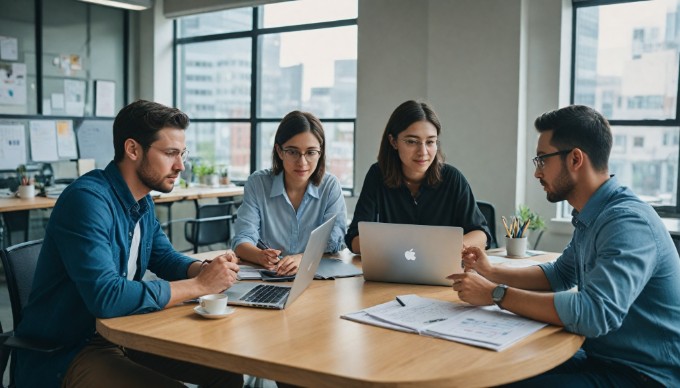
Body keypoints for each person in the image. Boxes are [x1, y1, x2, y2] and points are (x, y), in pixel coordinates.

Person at [14, 100, 243, 387]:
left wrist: (206, 271)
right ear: (133, 149)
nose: (180, 165)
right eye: (170, 153)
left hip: (124, 334)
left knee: (226, 374)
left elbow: (165, 258)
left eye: (182, 153)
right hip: (69, 351)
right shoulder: (87, 201)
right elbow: (106, 297)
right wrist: (200, 286)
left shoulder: (141, 200)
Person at [450, 105, 680, 387]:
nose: (537, 173)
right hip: (603, 358)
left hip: (644, 375)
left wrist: (496, 294)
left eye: (542, 160)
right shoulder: (594, 213)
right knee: (489, 370)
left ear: (575, 159)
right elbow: (560, 275)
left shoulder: (627, 222)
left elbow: (594, 313)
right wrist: (491, 270)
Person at [345, 100, 490, 253]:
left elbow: (481, 234)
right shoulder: (377, 175)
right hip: (392, 271)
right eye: (412, 142)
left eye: (430, 142)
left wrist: (445, 249)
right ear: (393, 141)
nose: (423, 151)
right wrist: (405, 249)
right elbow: (355, 239)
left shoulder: (452, 178)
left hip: (442, 273)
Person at [232, 110, 346, 275]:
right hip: (269, 276)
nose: (302, 162)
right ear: (279, 151)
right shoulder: (258, 184)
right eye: (292, 152)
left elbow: (335, 241)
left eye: (311, 152)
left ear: (320, 153)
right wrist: (260, 256)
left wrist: (302, 258)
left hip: (315, 276)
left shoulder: (330, 186)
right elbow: (242, 239)